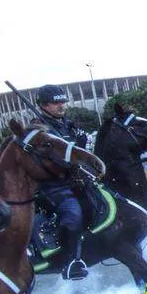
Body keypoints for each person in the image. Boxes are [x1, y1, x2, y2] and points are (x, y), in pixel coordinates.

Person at [31, 84, 90, 280]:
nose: (61, 105)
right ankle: (69, 261)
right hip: (53, 184)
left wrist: (81, 143)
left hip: (75, 179)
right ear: (43, 105)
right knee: (72, 216)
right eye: (56, 102)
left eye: (63, 101)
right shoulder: (37, 129)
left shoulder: (68, 124)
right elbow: (46, 160)